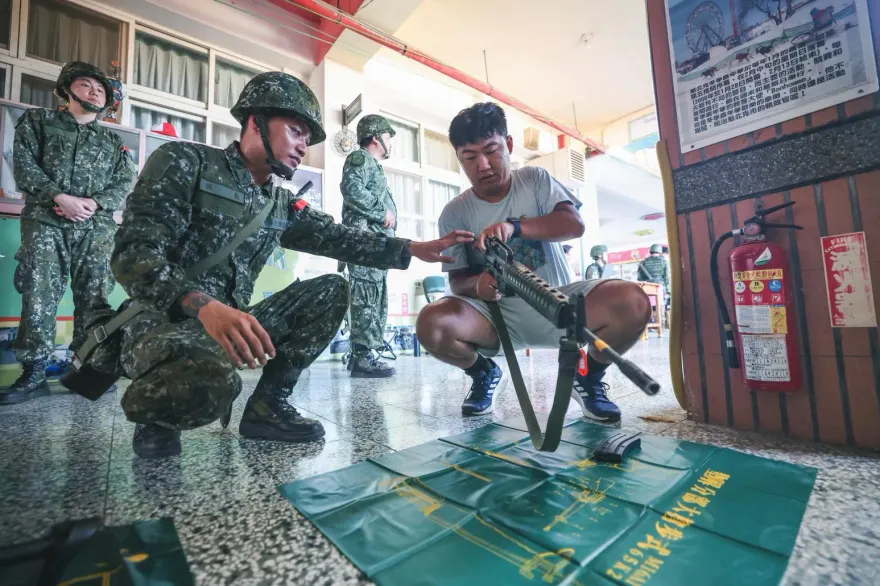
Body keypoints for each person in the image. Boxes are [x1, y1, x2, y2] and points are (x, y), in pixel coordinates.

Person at [101, 72, 471, 458]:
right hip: (161, 322)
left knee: (331, 290)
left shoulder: (277, 203)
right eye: (295, 132)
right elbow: (134, 255)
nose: (302, 148)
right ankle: (157, 419)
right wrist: (203, 306)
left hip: (229, 326)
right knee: (211, 379)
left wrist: (412, 248)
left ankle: (267, 406)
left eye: (307, 141)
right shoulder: (184, 162)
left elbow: (339, 237)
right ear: (255, 121)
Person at [415, 103, 651, 422]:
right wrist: (478, 285)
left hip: (558, 304)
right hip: (496, 319)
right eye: (470, 157)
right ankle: (483, 374)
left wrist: (516, 226)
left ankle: (588, 376)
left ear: (509, 145)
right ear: (459, 159)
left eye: (492, 150)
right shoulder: (455, 213)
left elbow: (573, 224)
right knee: (432, 322)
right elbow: (458, 281)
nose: (483, 165)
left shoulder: (535, 180)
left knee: (633, 302)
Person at [0, 62, 136, 405]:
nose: (93, 91)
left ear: (107, 102)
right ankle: (33, 374)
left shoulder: (113, 141)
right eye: (86, 84)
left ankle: (85, 367)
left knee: (94, 299)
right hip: (46, 221)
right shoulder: (37, 122)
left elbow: (124, 182)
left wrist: (93, 203)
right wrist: (59, 198)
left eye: (100, 89)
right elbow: (25, 165)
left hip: (95, 227)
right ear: (67, 87)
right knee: (39, 293)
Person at [339, 114, 398, 378]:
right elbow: (352, 190)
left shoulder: (373, 165)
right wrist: (381, 211)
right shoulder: (360, 158)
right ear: (376, 137)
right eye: (387, 137)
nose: (389, 143)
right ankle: (363, 358)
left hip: (374, 246)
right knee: (365, 299)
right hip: (365, 244)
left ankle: (363, 355)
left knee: (372, 298)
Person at [637, 243, 671, 316]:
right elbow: (666, 277)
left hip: (647, 288)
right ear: (660, 251)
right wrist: (667, 290)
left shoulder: (644, 262)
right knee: (660, 308)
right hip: (659, 287)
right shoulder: (663, 261)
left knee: (649, 307)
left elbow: (639, 278)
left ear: (650, 251)